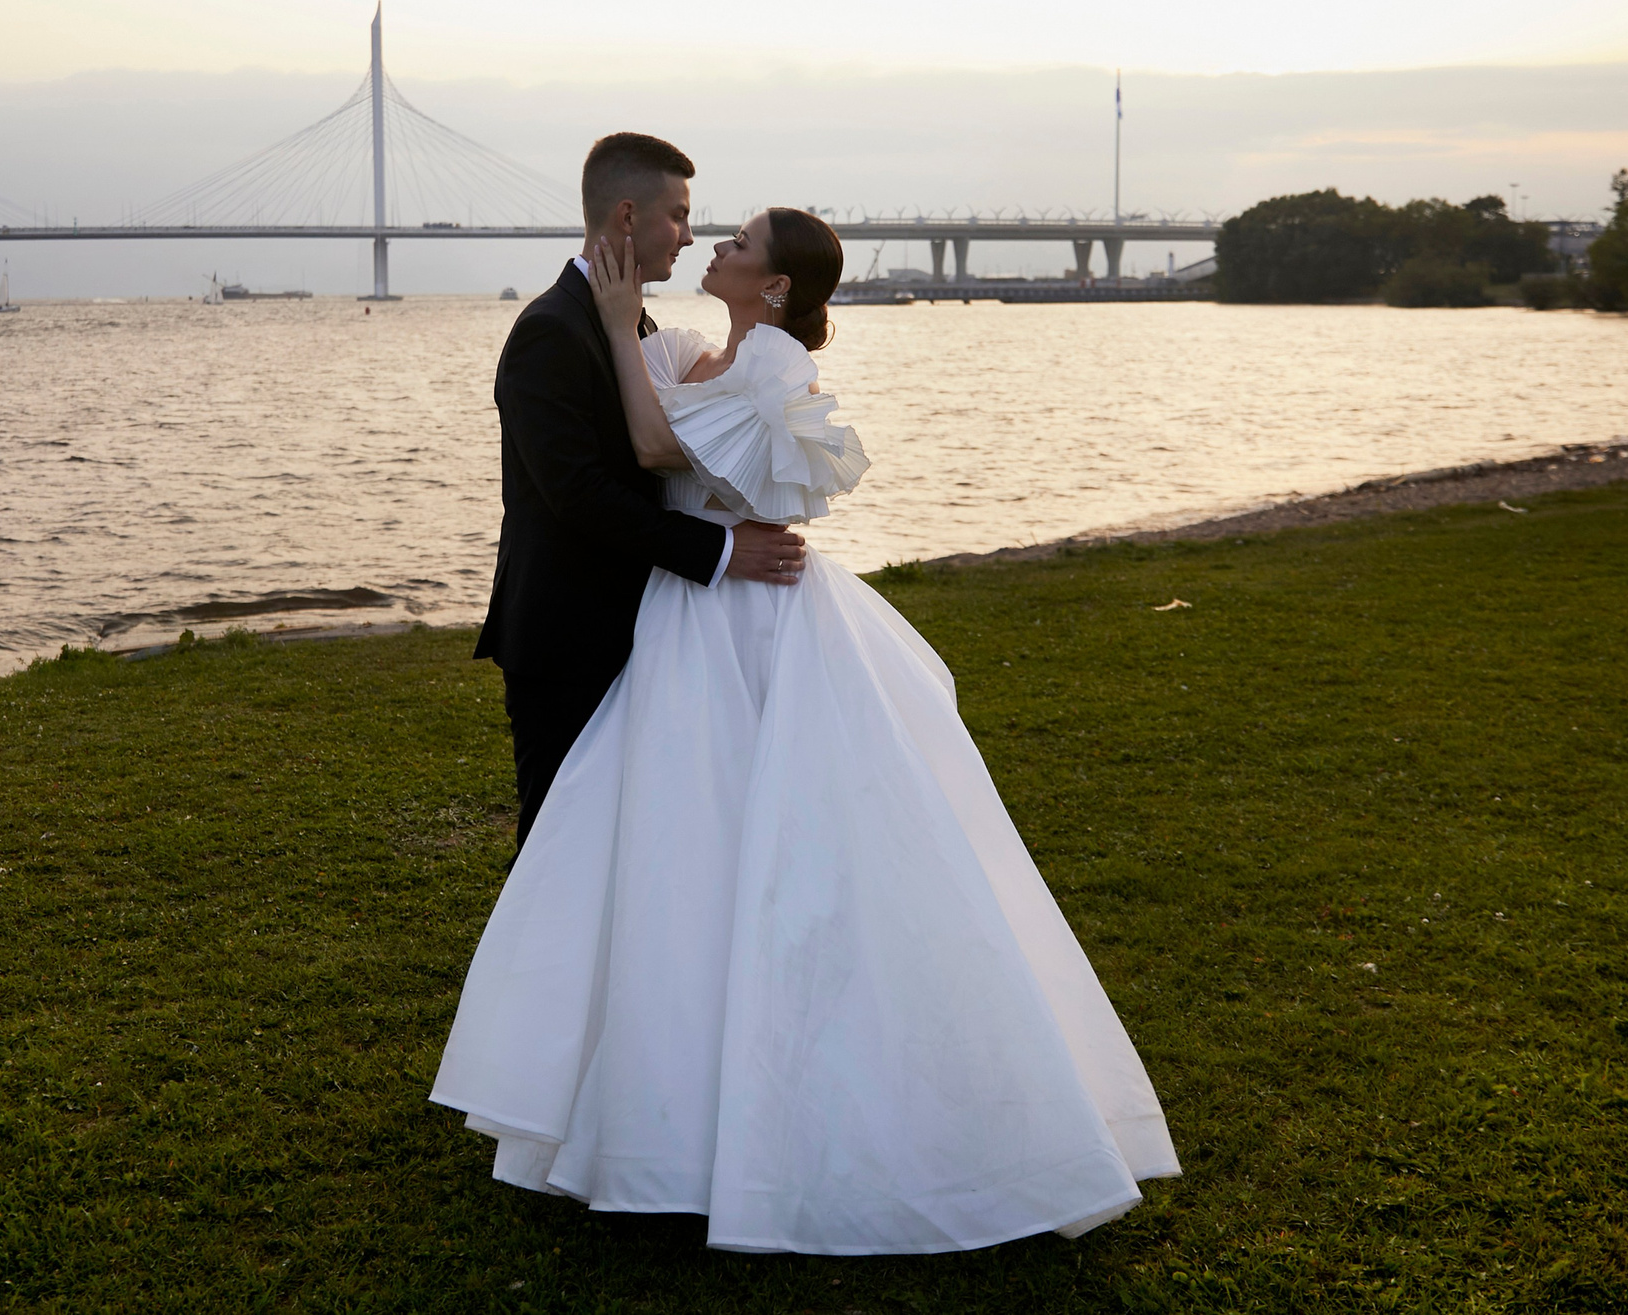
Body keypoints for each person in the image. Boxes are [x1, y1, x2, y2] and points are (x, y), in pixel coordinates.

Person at [435, 206, 1179, 1254]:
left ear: (775, 287)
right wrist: (621, 323)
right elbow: (645, 412)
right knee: (680, 851)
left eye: (736, 244)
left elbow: (654, 448)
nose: (715, 249)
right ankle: (658, 1096)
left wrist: (611, 324)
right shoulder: (696, 345)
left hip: (744, 614)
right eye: (708, 232)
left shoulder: (774, 364)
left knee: (783, 846)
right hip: (691, 617)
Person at [475, 133, 809, 848]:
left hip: (650, 632)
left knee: (637, 844)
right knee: (557, 841)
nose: (691, 237)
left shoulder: (638, 325)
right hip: (567, 638)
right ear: (627, 217)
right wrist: (721, 550)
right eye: (679, 216)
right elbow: (581, 496)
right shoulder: (548, 332)